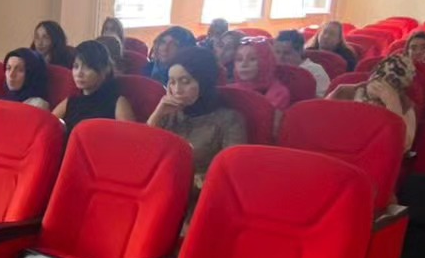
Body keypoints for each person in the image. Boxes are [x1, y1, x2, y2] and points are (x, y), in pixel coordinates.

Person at [145, 43, 247, 189]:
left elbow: (231, 172)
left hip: (200, 194)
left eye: (185, 82)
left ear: (204, 82)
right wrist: (156, 115)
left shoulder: (229, 120)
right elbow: (144, 155)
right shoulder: (168, 111)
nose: (177, 90)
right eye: (172, 82)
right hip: (159, 188)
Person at [329, 51, 418, 148]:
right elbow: (322, 121)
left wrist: (392, 103)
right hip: (339, 146)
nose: (380, 84)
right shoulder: (346, 92)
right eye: (379, 76)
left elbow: (405, 144)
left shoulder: (404, 105)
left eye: (390, 81)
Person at [55, 38, 134, 133]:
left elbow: (129, 137)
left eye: (87, 67)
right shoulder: (71, 101)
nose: (79, 73)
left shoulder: (117, 102)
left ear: (105, 69)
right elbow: (48, 124)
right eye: (76, 66)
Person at [234, 39, 292, 114]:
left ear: (266, 62)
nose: (243, 64)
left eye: (252, 59)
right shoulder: (231, 91)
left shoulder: (279, 94)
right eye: (239, 59)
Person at [275, 28, 329, 96]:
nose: (280, 57)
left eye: (286, 53)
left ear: (300, 51)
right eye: (277, 52)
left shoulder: (315, 71)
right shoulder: (274, 70)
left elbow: (322, 99)